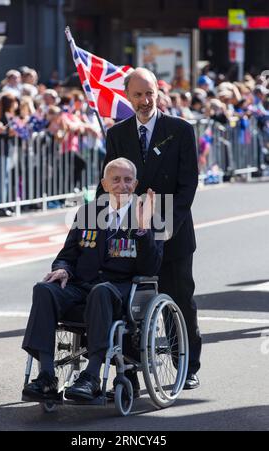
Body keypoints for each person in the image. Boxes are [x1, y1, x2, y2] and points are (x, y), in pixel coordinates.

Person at [22, 157, 163, 402]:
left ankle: (91, 375)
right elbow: (67, 255)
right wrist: (63, 269)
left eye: (128, 180)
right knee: (44, 289)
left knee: (101, 291)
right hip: (81, 285)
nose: (123, 185)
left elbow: (151, 267)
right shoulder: (88, 212)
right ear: (104, 184)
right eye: (116, 179)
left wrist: (142, 230)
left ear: (136, 183)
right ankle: (46, 375)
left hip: (120, 290)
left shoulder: (148, 212)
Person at [97, 67, 202, 390]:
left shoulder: (181, 130)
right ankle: (127, 369)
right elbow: (108, 184)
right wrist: (105, 223)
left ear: (159, 92)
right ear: (128, 97)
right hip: (130, 233)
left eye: (150, 93)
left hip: (172, 229)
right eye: (138, 95)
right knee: (129, 302)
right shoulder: (117, 134)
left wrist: (168, 225)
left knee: (179, 297)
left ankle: (186, 364)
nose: (145, 101)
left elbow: (188, 184)